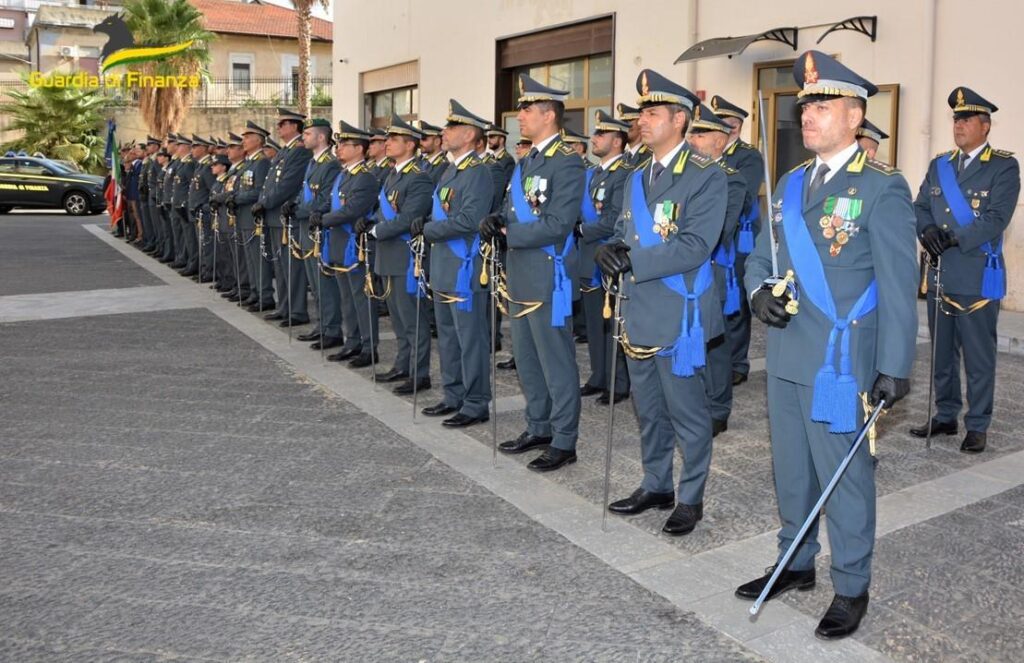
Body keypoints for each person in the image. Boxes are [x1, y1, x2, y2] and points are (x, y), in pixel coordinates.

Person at [736, 50, 918, 640]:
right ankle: (795, 561)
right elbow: (761, 253)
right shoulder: (789, 182)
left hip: (841, 360)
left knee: (842, 475)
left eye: (820, 104)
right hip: (788, 352)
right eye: (804, 105)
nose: (806, 114)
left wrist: (894, 366)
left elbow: (897, 283)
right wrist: (758, 288)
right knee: (791, 469)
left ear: (855, 115)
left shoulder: (882, 187)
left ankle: (850, 583)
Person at [596, 70, 726, 536]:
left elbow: (695, 246)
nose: (641, 121)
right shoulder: (636, 175)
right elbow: (624, 231)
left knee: (687, 414)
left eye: (652, 113)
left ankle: (690, 497)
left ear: (680, 120)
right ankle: (656, 483)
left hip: (677, 313)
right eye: (641, 113)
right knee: (648, 408)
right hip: (637, 308)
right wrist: (608, 247)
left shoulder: (706, 176)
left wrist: (630, 259)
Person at [480, 74, 585, 472]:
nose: (519, 116)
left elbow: (558, 223)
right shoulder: (529, 161)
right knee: (526, 359)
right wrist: (497, 220)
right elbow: (515, 210)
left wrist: (510, 232)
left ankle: (564, 439)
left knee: (555, 362)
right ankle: (538, 426)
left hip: (547, 276)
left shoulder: (568, 162)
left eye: (526, 109)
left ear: (548, 114)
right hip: (520, 274)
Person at [910, 87, 1020, 453]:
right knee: (941, 351)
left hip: (975, 272)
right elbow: (921, 204)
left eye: (966, 119)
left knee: (978, 355)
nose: (958, 125)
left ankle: (977, 424)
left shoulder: (1004, 166)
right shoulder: (940, 164)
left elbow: (996, 218)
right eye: (956, 119)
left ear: (985, 126)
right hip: (941, 271)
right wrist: (925, 230)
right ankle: (946, 414)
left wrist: (952, 238)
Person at [411, 100, 494, 427]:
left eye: (451, 128)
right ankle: (454, 393)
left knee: (470, 339)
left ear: (469, 133)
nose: (443, 133)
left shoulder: (477, 172)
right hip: (444, 265)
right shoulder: (450, 169)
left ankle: (475, 403)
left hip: (464, 266)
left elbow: (469, 220)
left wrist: (428, 229)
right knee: (447, 335)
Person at [355, 114, 434, 396]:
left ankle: (419, 372)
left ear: (410, 145)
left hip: (405, 257)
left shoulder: (419, 178)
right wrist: (371, 221)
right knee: (398, 319)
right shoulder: (392, 174)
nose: (387, 144)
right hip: (387, 255)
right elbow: (384, 210)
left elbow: (408, 218)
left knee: (413, 319)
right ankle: (403, 364)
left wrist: (375, 230)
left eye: (394, 140)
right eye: (387, 139)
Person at [686, 104, 748, 436]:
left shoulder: (731, 180)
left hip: (714, 270)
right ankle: (695, 401)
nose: (692, 139)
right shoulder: (686, 176)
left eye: (701, 134)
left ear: (720, 141)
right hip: (685, 270)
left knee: (715, 343)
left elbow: (719, 231)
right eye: (692, 133)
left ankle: (718, 408)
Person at [711, 94, 765, 386]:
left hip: (739, 236)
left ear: (740, 127)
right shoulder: (707, 154)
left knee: (736, 302)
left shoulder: (747, 155)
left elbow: (743, 194)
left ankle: (738, 362)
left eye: (731, 125)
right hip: (719, 231)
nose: (726, 130)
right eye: (721, 124)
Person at [317, 120, 381, 368]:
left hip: (355, 245)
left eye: (345, 144)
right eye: (339, 143)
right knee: (347, 298)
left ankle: (368, 346)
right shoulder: (344, 174)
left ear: (360, 149)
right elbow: (333, 202)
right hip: (339, 242)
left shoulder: (365, 178)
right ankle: (352, 341)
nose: (339, 148)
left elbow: (353, 210)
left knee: (362, 298)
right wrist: (319, 213)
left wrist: (323, 219)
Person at [578, 109, 631, 405]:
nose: (594, 138)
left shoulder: (623, 175)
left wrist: (581, 228)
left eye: (600, 134)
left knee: (613, 325)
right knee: (595, 324)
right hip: (587, 257)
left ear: (617, 140)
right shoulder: (594, 173)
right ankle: (598, 375)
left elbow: (614, 220)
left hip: (607, 260)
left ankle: (618, 382)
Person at [255, 107, 313, 328]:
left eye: (282, 124)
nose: (278, 127)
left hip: (284, 216)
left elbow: (287, 185)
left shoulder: (299, 151)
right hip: (274, 216)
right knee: (280, 265)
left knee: (291, 266)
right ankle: (285, 307)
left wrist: (265, 203)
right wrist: (262, 202)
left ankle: (297, 311)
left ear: (294, 126)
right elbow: (271, 182)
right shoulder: (284, 151)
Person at [292, 118, 343, 350]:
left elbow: (325, 200)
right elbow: (305, 193)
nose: (304, 137)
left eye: (308, 133)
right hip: (307, 229)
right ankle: (322, 325)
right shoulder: (313, 163)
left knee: (324, 283)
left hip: (319, 231)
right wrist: (294, 205)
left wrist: (300, 211)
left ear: (321, 137)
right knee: (315, 283)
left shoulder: (330, 165)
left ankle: (332, 329)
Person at [231, 122, 273, 311]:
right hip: (244, 216)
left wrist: (236, 198)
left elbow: (258, 192)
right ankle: (255, 292)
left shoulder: (262, 163)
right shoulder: (250, 162)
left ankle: (265, 295)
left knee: (258, 259)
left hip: (253, 217)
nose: (244, 141)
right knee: (250, 259)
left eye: (247, 138)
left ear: (258, 141)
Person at [415, 120, 448, 185]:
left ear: (437, 142)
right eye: (420, 139)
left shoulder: (443, 165)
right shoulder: (420, 161)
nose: (420, 143)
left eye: (424, 139)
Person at [617, 103, 650, 169]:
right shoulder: (620, 158)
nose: (624, 126)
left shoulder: (649, 156)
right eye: (622, 123)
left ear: (640, 123)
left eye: (628, 121)